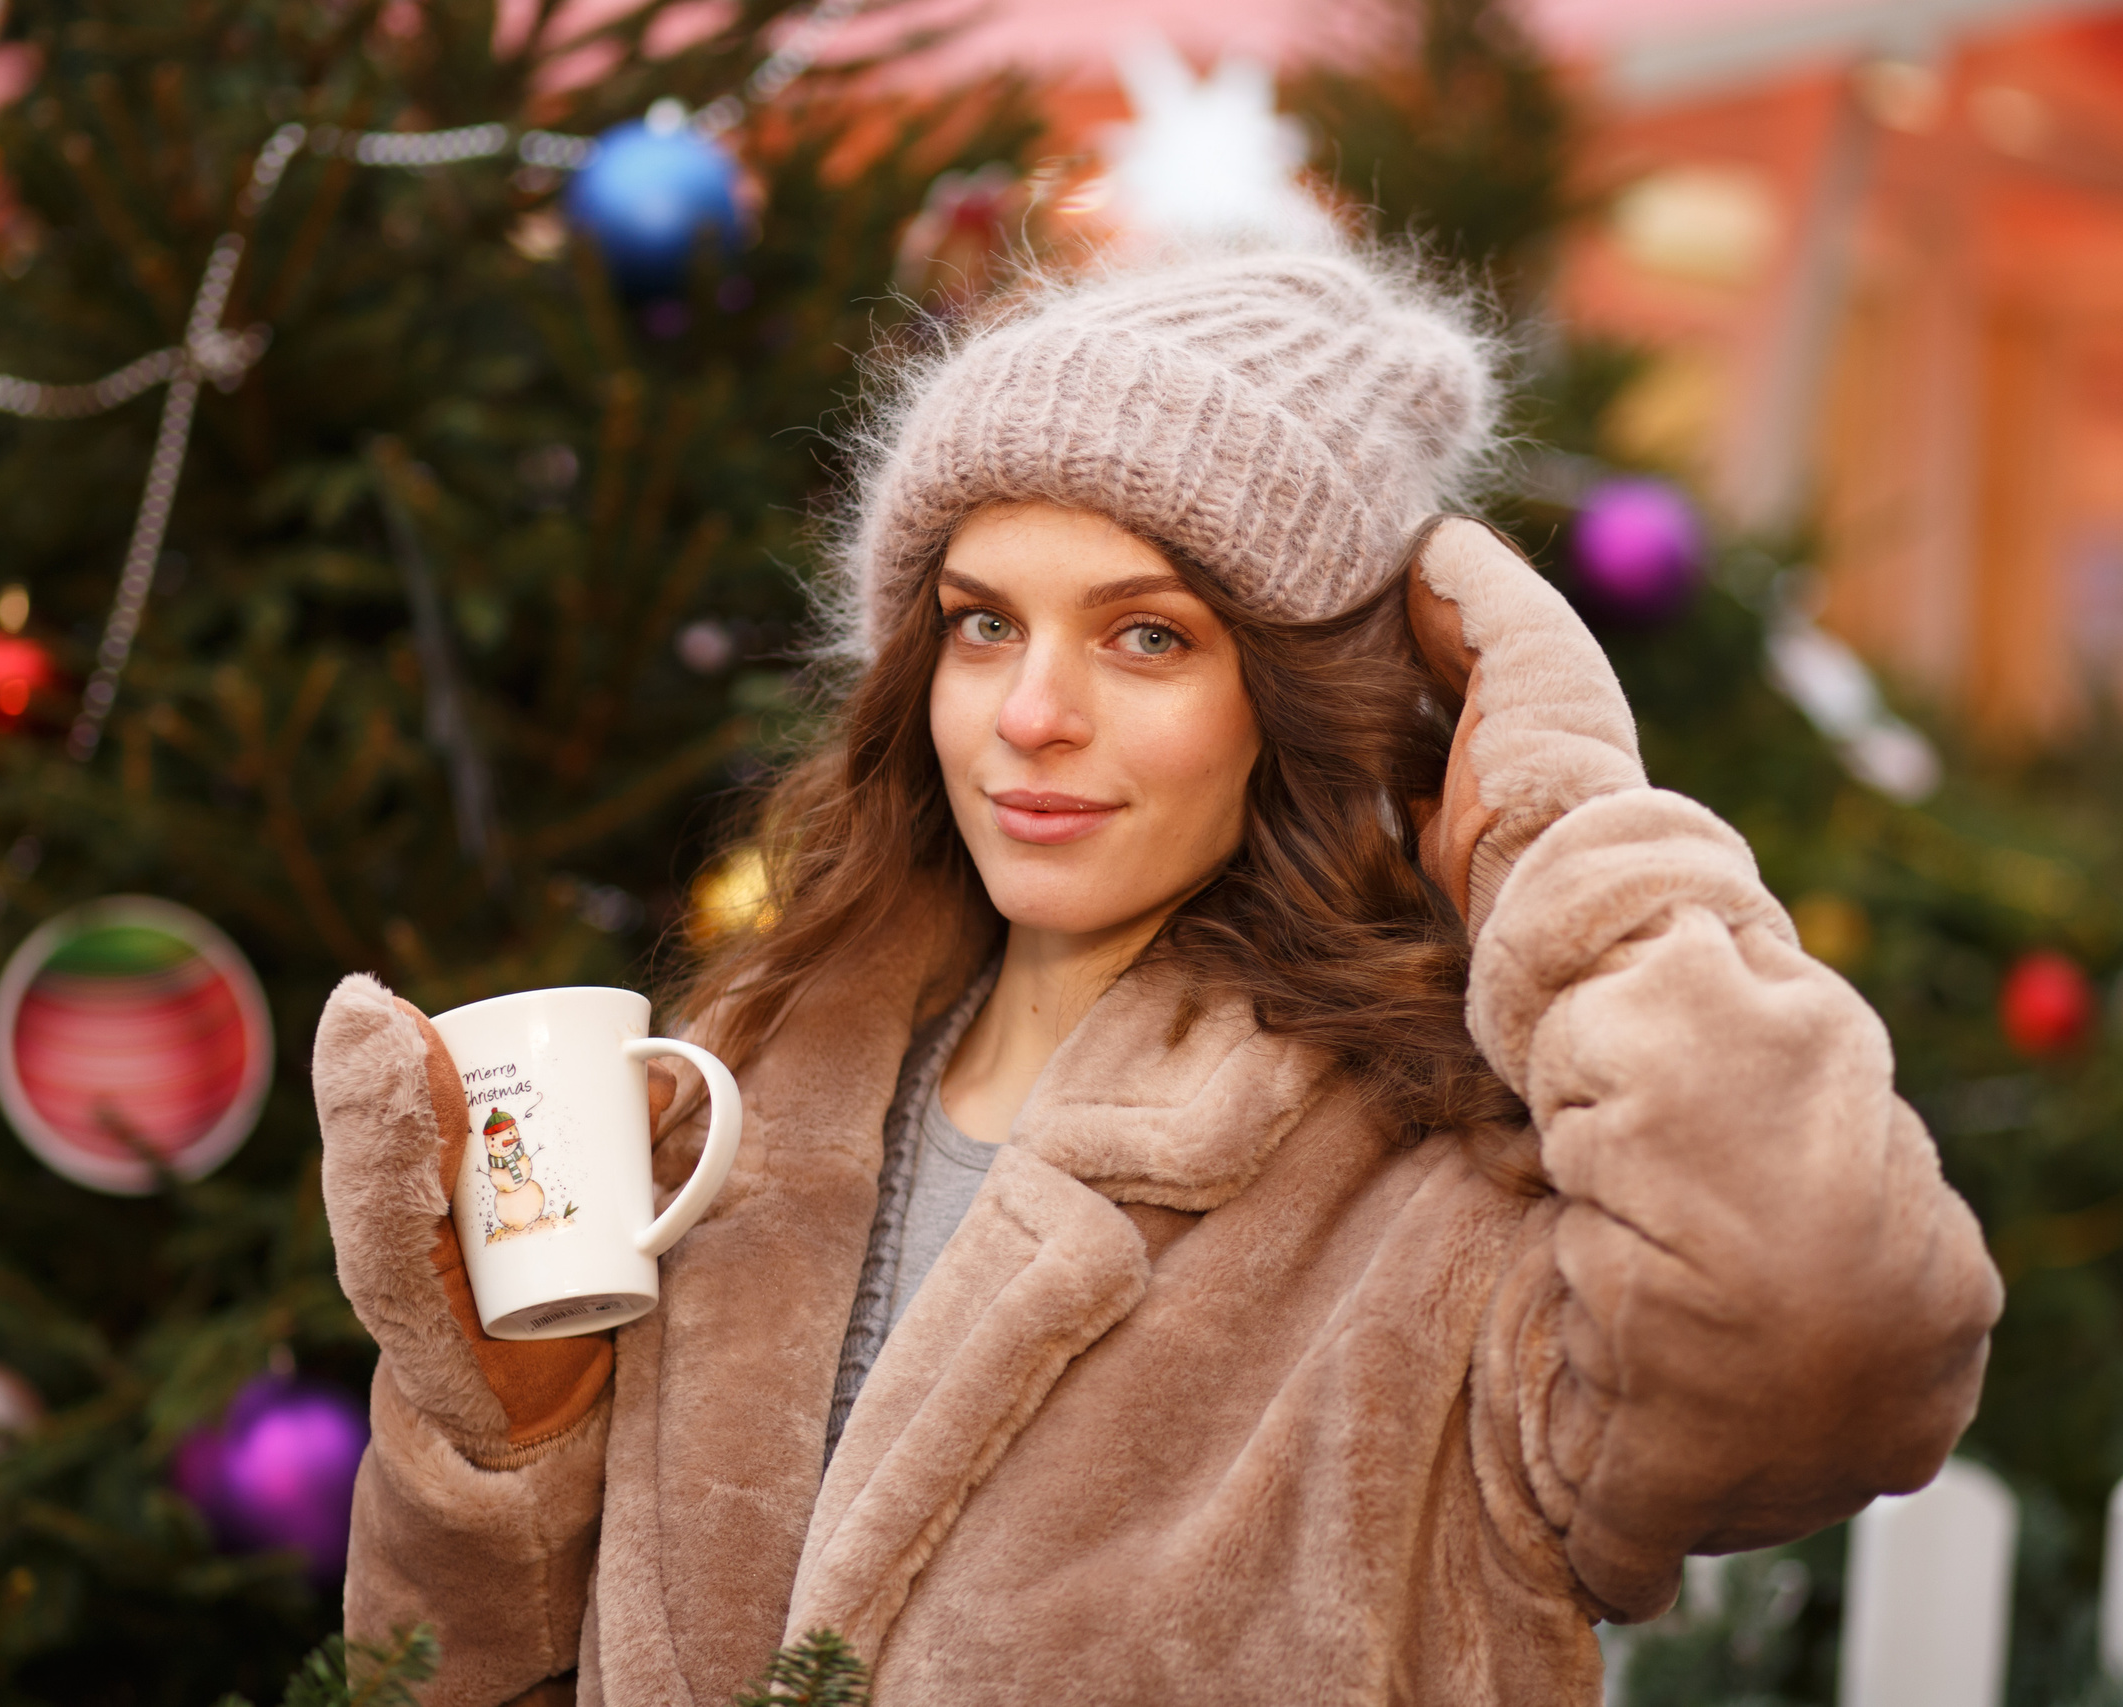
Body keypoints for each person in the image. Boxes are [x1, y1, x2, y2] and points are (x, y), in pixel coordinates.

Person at [311, 247, 2002, 1707]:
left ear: (1296, 691)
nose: (1033, 714)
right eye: (984, 622)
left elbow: (1838, 1350)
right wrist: (502, 1440)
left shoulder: (1445, 1195)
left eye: (1148, 635)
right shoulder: (743, 1088)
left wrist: (1564, 834)